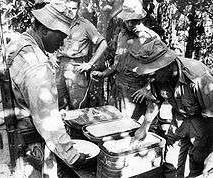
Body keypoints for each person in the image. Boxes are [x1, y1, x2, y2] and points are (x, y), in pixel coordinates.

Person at [0, 2, 85, 177]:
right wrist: (71, 154)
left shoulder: (18, 42)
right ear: (45, 30)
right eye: (60, 37)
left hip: (7, 132)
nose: (63, 43)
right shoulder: (36, 64)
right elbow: (47, 120)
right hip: (25, 140)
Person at [131, 35, 213, 177]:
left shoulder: (198, 76)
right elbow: (155, 101)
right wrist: (144, 127)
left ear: (167, 65)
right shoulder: (158, 77)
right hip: (179, 117)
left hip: (204, 122)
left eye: (153, 72)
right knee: (170, 161)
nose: (150, 78)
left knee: (197, 164)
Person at [91, 0, 159, 121]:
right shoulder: (122, 36)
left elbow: (161, 69)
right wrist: (103, 74)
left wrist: (147, 88)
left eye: (133, 21)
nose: (129, 24)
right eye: (127, 21)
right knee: (112, 121)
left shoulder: (151, 38)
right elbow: (117, 63)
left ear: (141, 19)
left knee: (128, 126)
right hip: (117, 87)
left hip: (135, 91)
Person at [56, 0, 107, 110]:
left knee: (78, 105)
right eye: (68, 8)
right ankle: (65, 127)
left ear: (78, 9)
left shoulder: (85, 25)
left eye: (73, 8)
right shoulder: (59, 22)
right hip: (59, 67)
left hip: (76, 69)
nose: (70, 11)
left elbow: (103, 44)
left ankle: (78, 127)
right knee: (60, 103)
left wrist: (90, 63)